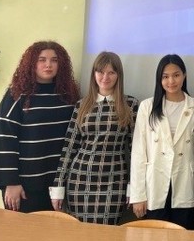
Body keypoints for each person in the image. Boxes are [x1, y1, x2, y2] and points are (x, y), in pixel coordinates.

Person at [0, 41, 80, 213]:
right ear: (31, 63)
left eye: (54, 60)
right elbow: (4, 139)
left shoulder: (69, 96)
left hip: (58, 185)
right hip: (24, 186)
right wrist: (11, 182)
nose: (48, 65)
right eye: (41, 59)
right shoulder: (16, 95)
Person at [50, 51, 139, 224]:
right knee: (79, 232)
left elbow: (136, 151)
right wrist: (58, 186)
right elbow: (69, 147)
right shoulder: (82, 105)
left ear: (118, 75)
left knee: (107, 233)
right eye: (101, 72)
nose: (105, 77)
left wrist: (133, 187)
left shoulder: (130, 105)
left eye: (111, 72)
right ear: (94, 74)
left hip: (114, 180)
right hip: (80, 179)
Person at [129, 54, 194, 229]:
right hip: (154, 184)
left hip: (185, 183)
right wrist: (138, 195)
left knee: (182, 234)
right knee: (153, 235)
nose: (171, 81)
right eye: (165, 76)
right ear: (159, 79)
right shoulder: (147, 107)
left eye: (176, 75)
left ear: (184, 75)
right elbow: (139, 153)